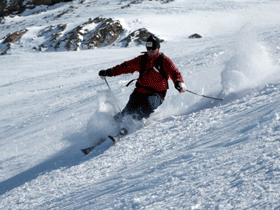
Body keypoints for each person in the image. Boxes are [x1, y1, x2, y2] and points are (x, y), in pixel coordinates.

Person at [99, 34, 186, 135]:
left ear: (158, 48)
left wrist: (178, 82)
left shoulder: (164, 61)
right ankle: (110, 127)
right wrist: (109, 72)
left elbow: (174, 72)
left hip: (157, 94)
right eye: (148, 48)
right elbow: (125, 66)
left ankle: (129, 125)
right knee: (127, 111)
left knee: (147, 104)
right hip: (139, 92)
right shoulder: (142, 60)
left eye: (153, 48)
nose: (150, 51)